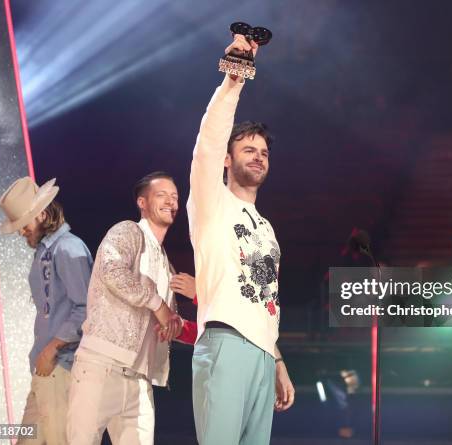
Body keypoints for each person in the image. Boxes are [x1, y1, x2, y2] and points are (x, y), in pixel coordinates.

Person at [188, 34, 294, 445]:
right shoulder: (211, 202)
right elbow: (208, 144)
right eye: (248, 149)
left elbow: (268, 303)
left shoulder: (266, 227)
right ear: (228, 161)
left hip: (264, 355)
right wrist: (235, 78)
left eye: (264, 151)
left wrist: (278, 361)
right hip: (225, 341)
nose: (259, 156)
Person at [67, 171, 183, 445]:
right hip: (100, 366)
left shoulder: (166, 265)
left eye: (175, 196)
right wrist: (158, 304)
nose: (171, 201)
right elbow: (111, 269)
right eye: (162, 195)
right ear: (142, 202)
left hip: (140, 381)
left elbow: (162, 320)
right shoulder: (128, 231)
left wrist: (173, 324)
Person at [0, 177, 93, 445]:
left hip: (61, 368)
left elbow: (87, 308)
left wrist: (52, 349)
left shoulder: (68, 248)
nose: (21, 231)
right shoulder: (44, 251)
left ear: (42, 213)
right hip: (45, 370)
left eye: (23, 224)